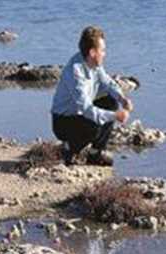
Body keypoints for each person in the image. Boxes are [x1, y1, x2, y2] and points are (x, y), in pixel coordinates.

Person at [51, 26, 133, 166]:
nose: (104, 54)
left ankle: (95, 154)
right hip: (63, 121)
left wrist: (122, 98)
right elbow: (87, 110)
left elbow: (108, 82)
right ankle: (69, 150)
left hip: (79, 115)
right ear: (92, 52)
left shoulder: (94, 64)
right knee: (95, 123)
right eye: (102, 50)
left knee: (111, 102)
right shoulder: (75, 72)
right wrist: (116, 116)